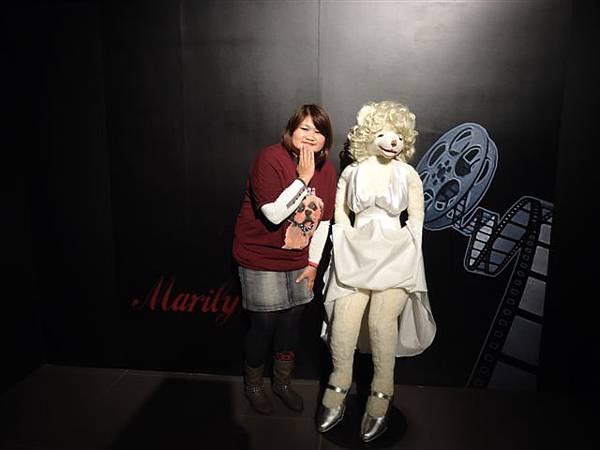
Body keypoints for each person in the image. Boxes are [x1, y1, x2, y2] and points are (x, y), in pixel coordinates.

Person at [232, 104, 337, 414]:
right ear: (291, 130)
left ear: (326, 139)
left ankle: (282, 383)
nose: (310, 136)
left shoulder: (328, 171)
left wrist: (313, 264)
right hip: (260, 257)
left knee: (291, 325)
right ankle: (254, 384)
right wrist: (303, 179)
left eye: (318, 131)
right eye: (304, 128)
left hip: (298, 262)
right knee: (264, 326)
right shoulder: (269, 159)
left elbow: (324, 222)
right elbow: (275, 215)